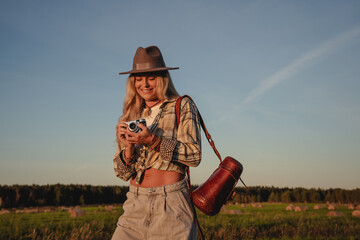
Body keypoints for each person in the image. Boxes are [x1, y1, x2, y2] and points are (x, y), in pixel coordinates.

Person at [111, 46, 202, 240]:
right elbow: (121, 173)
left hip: (171, 204)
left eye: (151, 77)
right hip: (134, 203)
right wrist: (128, 147)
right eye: (139, 78)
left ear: (162, 78)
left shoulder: (182, 105)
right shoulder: (129, 114)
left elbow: (194, 155)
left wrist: (152, 140)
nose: (144, 84)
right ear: (133, 81)